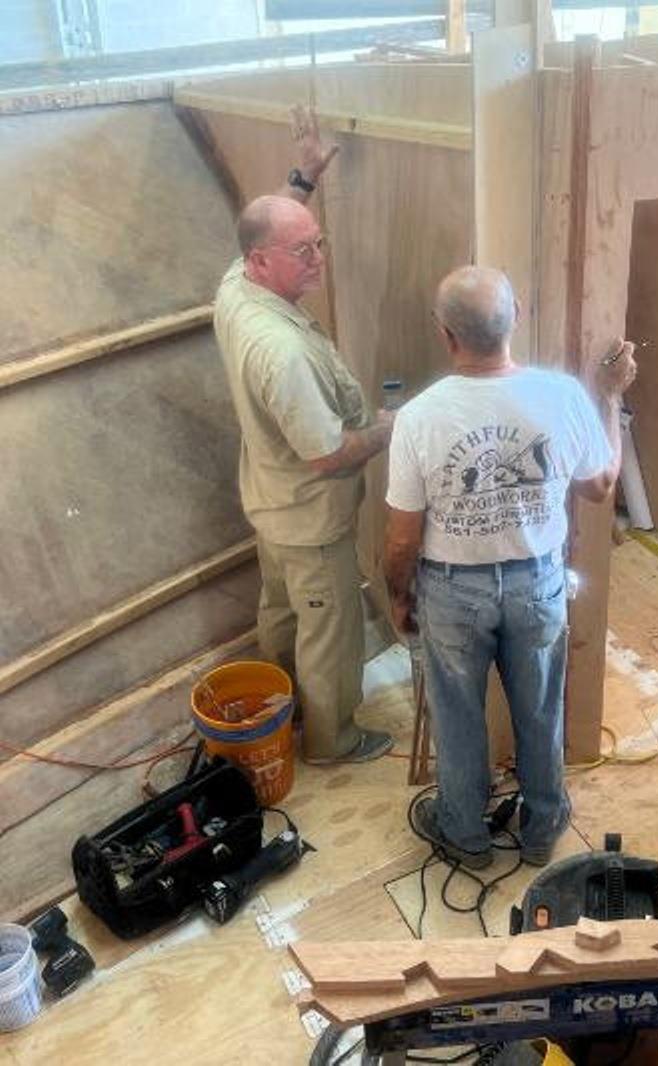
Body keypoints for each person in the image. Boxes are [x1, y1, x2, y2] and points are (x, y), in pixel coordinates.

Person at [383, 266, 636, 868]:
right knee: (542, 709)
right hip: (538, 584)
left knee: (458, 719)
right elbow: (601, 486)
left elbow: (401, 539)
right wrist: (612, 398)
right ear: (516, 315)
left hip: (452, 591)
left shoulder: (419, 417)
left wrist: (400, 595)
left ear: (445, 335)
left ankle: (466, 837)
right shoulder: (563, 396)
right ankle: (542, 828)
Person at [214, 107, 394, 765]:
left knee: (283, 613)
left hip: (270, 503)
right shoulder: (280, 351)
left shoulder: (237, 286)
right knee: (330, 632)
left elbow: (272, 227)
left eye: (319, 242)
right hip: (311, 518)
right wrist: (386, 429)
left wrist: (303, 179)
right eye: (303, 250)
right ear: (262, 262)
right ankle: (331, 739)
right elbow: (326, 453)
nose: (318, 258)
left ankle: (281, 705)